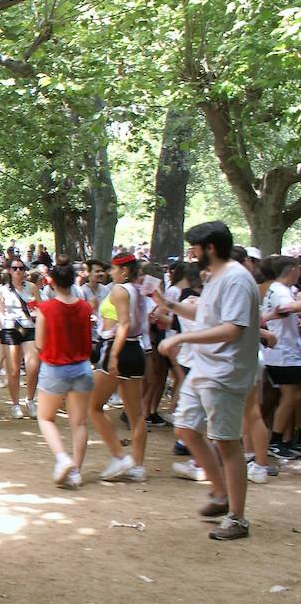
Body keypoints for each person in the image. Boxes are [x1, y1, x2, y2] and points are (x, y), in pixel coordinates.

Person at [156, 222, 261, 540]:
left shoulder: (236, 279)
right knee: (186, 429)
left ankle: (237, 518)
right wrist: (170, 304)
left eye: (195, 248)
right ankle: (220, 493)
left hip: (225, 373)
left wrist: (179, 342)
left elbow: (232, 329)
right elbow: (207, 317)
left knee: (228, 443)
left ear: (210, 248)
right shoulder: (215, 276)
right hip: (205, 370)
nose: (191, 254)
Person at [32, 265, 96, 490]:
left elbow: (39, 343)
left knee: (46, 418)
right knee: (79, 423)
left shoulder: (46, 308)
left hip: (55, 366)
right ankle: (76, 471)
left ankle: (62, 457)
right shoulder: (85, 307)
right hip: (82, 367)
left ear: (51, 282)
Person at [87, 253, 147, 481]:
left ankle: (119, 456)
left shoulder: (120, 290)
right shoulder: (137, 290)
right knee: (136, 414)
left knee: (93, 406)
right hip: (136, 350)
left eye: (113, 269)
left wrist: (113, 356)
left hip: (116, 348)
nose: (110, 273)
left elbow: (124, 324)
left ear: (123, 271)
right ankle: (137, 466)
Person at [260, 255, 301, 456]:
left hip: (284, 352)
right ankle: (276, 442)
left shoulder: (276, 289)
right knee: (291, 397)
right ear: (293, 269)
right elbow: (286, 307)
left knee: (293, 396)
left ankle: (284, 440)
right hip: (283, 353)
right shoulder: (280, 290)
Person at [0, 260, 40, 419]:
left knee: (33, 365)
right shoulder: (3, 290)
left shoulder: (32, 288)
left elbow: (40, 308)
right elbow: (0, 311)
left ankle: (30, 400)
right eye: (14, 268)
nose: (18, 271)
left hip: (29, 328)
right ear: (9, 270)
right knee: (13, 369)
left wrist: (36, 315)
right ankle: (15, 404)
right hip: (10, 328)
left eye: (21, 268)